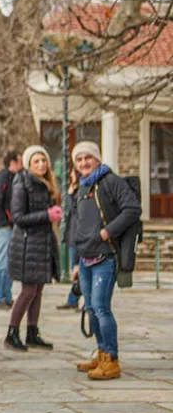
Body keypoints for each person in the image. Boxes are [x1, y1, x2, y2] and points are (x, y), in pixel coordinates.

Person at [69, 141, 141, 380]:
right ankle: (101, 353)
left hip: (105, 256)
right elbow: (79, 225)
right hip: (86, 257)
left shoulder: (111, 182)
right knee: (90, 308)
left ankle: (111, 359)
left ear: (97, 159)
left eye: (87, 158)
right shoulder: (82, 188)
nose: (83, 163)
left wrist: (106, 232)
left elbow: (132, 209)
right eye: (78, 160)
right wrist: (77, 262)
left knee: (101, 307)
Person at [5, 145, 61, 352]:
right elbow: (18, 217)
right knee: (28, 290)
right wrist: (47, 215)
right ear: (29, 164)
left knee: (38, 289)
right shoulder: (23, 183)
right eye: (36, 161)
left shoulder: (45, 184)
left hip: (42, 243)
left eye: (43, 160)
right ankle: (12, 333)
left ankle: (32, 332)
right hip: (27, 244)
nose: (41, 164)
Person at [0, 151, 22, 309]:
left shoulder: (14, 178)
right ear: (13, 161)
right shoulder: (2, 178)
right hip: (4, 226)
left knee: (9, 262)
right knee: (1, 260)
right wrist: (4, 222)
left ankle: (6, 296)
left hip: (11, 225)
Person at [56, 169, 82, 311]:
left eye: (72, 173)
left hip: (77, 235)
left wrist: (70, 195)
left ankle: (76, 299)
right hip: (72, 234)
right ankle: (73, 299)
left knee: (77, 269)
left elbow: (74, 209)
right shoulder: (75, 190)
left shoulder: (80, 191)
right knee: (76, 269)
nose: (69, 175)